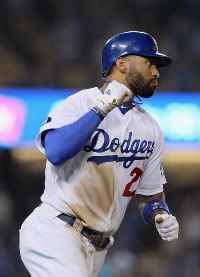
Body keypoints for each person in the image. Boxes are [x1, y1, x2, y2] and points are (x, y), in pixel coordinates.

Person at [19, 31, 179, 277]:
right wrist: (102, 108)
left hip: (98, 247)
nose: (156, 72)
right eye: (149, 62)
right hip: (56, 230)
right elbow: (56, 151)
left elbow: (149, 196)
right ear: (122, 63)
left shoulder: (150, 128)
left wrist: (160, 213)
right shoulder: (81, 103)